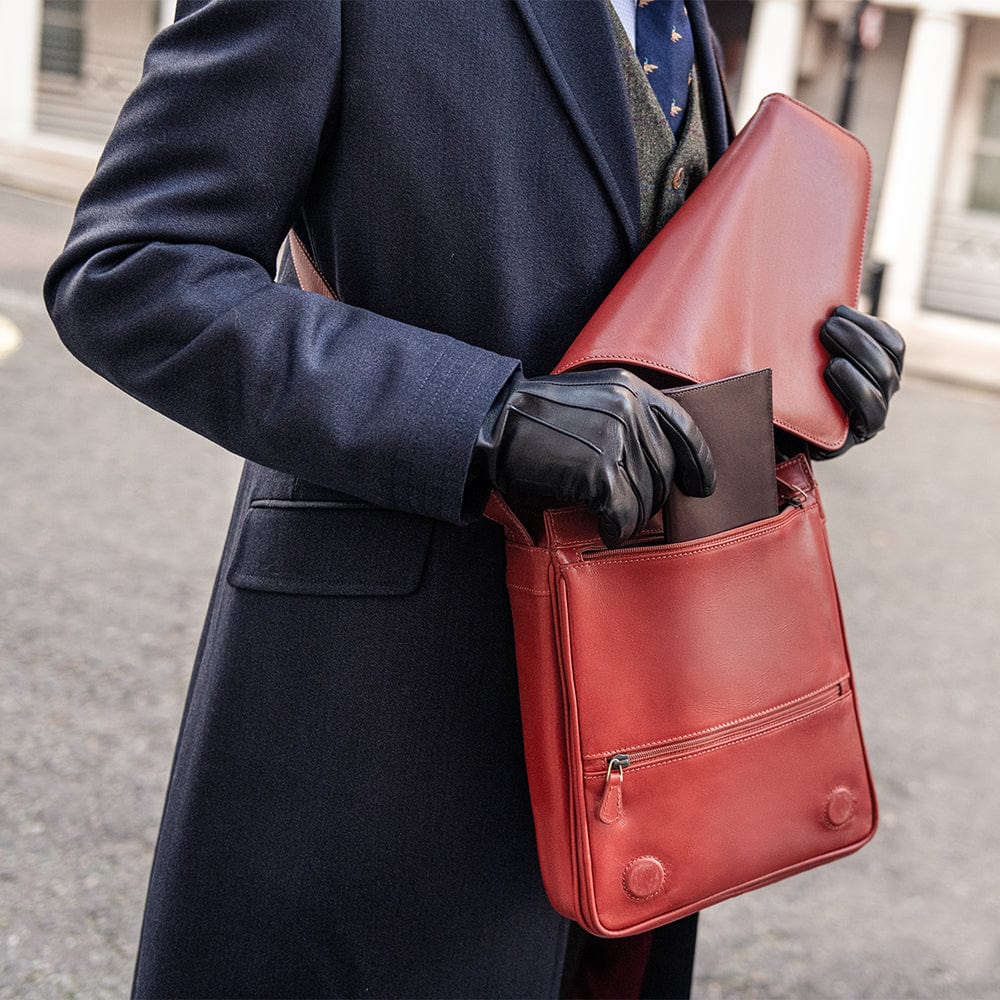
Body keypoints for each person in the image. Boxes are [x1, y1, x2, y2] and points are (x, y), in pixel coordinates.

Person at [44, 1, 903, 996]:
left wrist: (797, 393)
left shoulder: (684, 21)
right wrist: (481, 417)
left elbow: (647, 329)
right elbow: (133, 272)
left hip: (639, 743)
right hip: (385, 724)